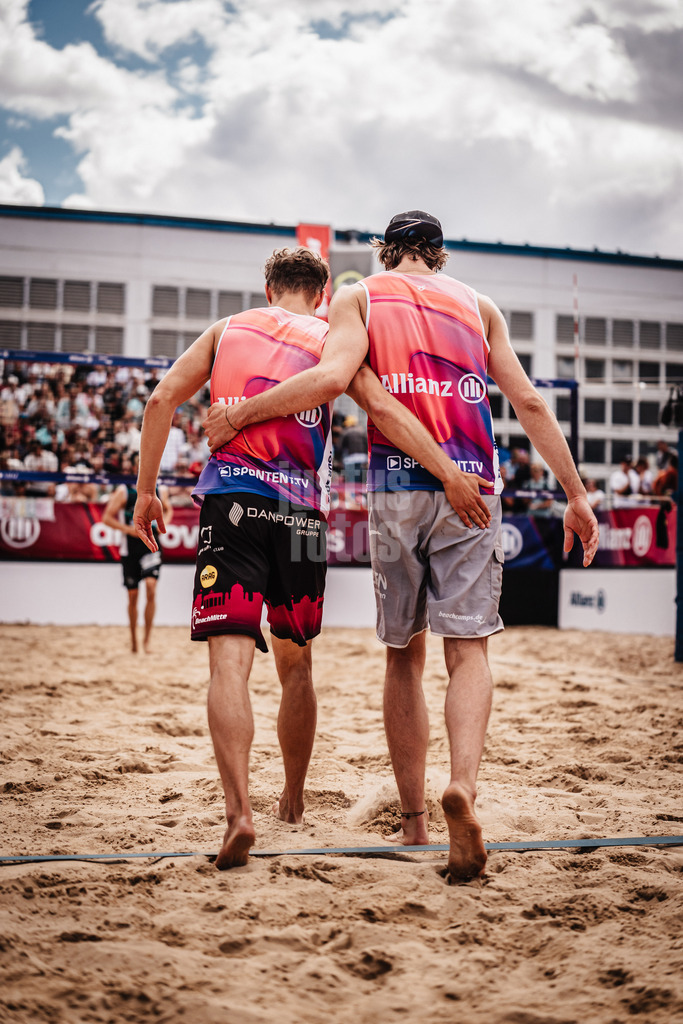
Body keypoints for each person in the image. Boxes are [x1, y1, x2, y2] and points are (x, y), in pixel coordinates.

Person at [203, 211, 599, 883]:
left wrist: (238, 414)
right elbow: (528, 400)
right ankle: (463, 789)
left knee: (402, 658)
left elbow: (366, 399)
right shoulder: (478, 305)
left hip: (396, 489)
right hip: (473, 487)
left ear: (384, 251)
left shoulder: (359, 297)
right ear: (438, 254)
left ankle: (415, 817)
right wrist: (576, 492)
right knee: (468, 651)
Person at [132, 246, 486, 872]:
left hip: (232, 502)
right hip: (300, 515)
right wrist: (449, 471)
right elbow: (381, 407)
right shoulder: (335, 339)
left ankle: (240, 812)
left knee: (228, 665)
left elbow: (160, 401)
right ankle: (292, 802)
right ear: (324, 293)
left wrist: (145, 493)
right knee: (297, 669)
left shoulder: (227, 330)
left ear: (268, 287)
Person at [102, 452, 172, 654]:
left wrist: (163, 522)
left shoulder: (161, 488)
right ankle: (134, 641)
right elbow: (107, 517)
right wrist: (129, 530)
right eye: (141, 465)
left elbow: (168, 509)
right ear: (134, 468)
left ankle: (147, 641)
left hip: (151, 545)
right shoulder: (125, 490)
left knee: (151, 588)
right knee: (133, 596)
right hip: (130, 546)